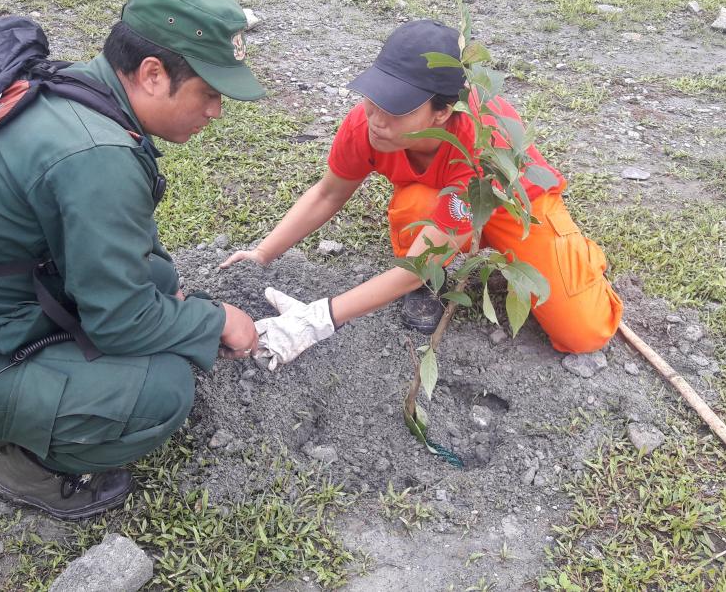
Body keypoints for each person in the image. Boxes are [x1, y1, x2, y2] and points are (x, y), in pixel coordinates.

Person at [0, 0, 264, 519]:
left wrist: (167, 308)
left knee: (158, 280)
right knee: (163, 391)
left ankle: (30, 400)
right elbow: (121, 322)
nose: (216, 112)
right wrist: (217, 321)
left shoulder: (74, 91)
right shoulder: (96, 156)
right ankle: (27, 472)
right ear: (152, 73)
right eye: (209, 93)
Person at [223, 19, 622, 369]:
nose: (376, 121)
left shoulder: (483, 144)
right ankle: (435, 281)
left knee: (583, 332)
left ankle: (577, 256)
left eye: (395, 110)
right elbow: (328, 193)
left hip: (516, 206)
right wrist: (263, 253)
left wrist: (317, 320)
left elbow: (416, 261)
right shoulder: (367, 123)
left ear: (442, 113)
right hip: (440, 201)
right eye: (373, 99)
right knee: (416, 207)